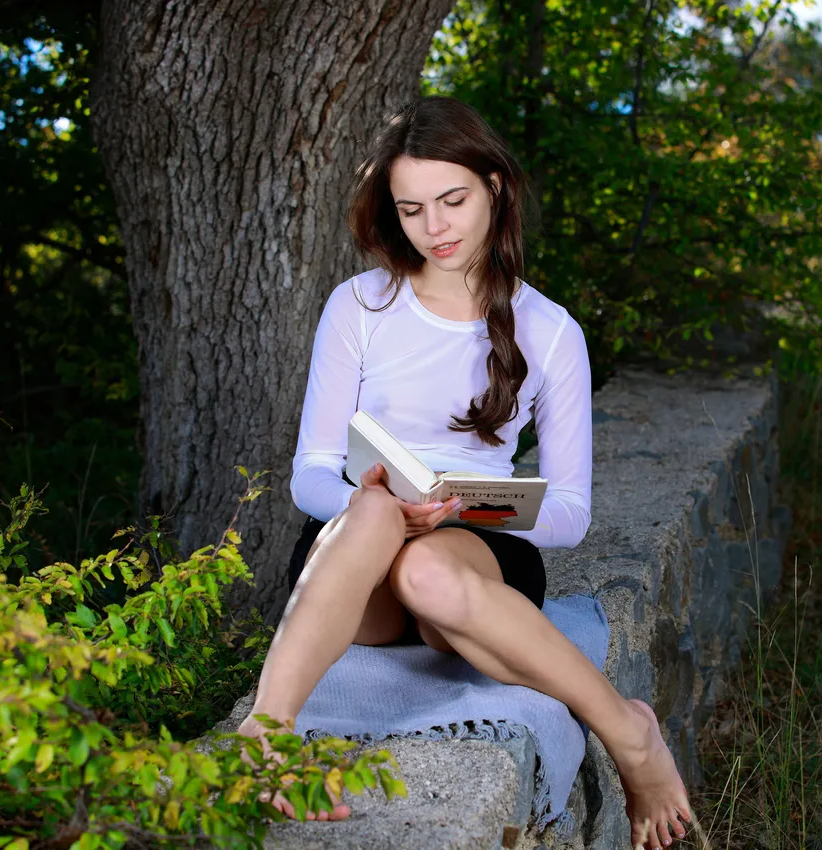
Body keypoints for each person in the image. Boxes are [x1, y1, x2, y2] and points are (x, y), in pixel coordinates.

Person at [236, 96, 695, 850]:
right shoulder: (359, 306)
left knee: (429, 578)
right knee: (378, 514)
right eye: (412, 209)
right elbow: (311, 474)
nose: (435, 228)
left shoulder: (549, 330)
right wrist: (373, 499)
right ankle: (269, 734)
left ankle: (630, 735)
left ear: (495, 188)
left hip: (478, 544)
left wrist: (459, 507)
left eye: (453, 201)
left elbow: (571, 512)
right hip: (354, 555)